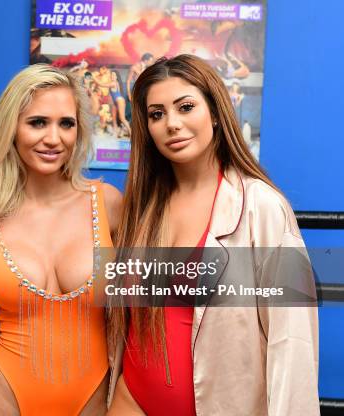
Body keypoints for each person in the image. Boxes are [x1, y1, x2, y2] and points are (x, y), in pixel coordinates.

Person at [106, 55, 319, 415]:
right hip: (131, 401)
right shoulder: (142, 207)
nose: (172, 124)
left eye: (186, 107)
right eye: (156, 114)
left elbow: (292, 339)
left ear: (216, 112)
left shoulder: (262, 206)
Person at [0, 64, 122, 415]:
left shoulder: (108, 203)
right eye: (37, 122)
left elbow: (147, 311)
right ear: (11, 128)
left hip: (94, 396)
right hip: (3, 395)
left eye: (66, 123)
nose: (53, 138)